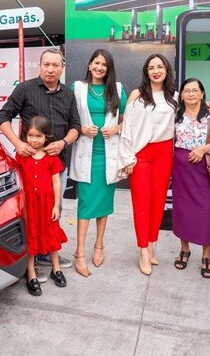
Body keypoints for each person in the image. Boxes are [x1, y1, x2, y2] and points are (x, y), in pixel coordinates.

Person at [0, 48, 81, 273]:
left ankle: (47, 252)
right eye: (47, 65)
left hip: (56, 166)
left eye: (55, 65)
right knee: (30, 213)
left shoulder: (68, 94)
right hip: (29, 167)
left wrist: (63, 142)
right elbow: (2, 117)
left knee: (52, 211)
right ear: (40, 66)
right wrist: (17, 143)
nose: (51, 69)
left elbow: (76, 126)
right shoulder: (25, 89)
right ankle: (30, 257)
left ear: (62, 68)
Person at [118, 53, 178, 276]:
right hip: (141, 153)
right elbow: (127, 127)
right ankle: (143, 250)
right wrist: (127, 158)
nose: (156, 71)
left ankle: (152, 245)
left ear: (166, 69)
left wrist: (209, 104)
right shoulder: (138, 95)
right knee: (141, 204)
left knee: (158, 203)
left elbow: (191, 115)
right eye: (151, 67)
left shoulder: (175, 96)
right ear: (146, 72)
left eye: (159, 66)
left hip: (164, 153)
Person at [69, 49, 127, 277]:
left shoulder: (118, 89)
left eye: (104, 64)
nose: (100, 67)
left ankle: (99, 245)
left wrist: (117, 128)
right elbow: (69, 116)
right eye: (96, 63)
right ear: (89, 64)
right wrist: (82, 129)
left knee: (103, 204)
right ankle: (80, 252)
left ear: (108, 68)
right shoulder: (77, 88)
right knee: (85, 204)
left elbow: (129, 120)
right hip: (86, 154)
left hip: (108, 155)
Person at [172, 78, 210, 278]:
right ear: (181, 95)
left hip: (204, 169)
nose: (190, 94)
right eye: (186, 90)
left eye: (195, 90)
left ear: (202, 93)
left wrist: (205, 148)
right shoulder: (175, 115)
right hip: (181, 170)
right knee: (182, 210)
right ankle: (184, 249)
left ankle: (207, 255)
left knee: (206, 211)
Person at [14, 116, 68, 296]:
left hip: (47, 205)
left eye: (39, 136)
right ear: (25, 136)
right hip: (29, 204)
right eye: (31, 135)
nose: (34, 140)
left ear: (46, 137)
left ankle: (56, 269)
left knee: (51, 234)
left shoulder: (51, 157)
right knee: (31, 236)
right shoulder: (21, 156)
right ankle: (30, 274)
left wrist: (56, 206)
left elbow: (56, 183)